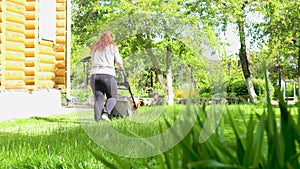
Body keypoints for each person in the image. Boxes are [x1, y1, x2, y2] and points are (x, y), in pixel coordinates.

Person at [90, 30, 123, 121]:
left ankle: (97, 120)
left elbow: (93, 60)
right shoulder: (112, 47)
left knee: (98, 98)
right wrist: (121, 67)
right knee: (113, 97)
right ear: (111, 38)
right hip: (108, 74)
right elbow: (119, 62)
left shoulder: (95, 48)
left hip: (94, 75)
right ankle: (106, 113)